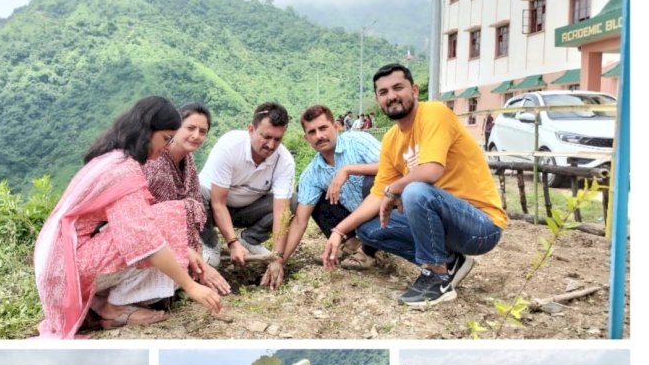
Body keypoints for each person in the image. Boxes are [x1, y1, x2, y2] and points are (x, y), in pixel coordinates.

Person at [35, 96, 222, 337]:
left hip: (58, 254)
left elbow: (145, 220)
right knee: (160, 234)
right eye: (165, 139)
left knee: (164, 223)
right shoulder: (125, 170)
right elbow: (144, 241)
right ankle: (113, 307)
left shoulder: (115, 157)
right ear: (147, 131)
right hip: (64, 265)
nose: (167, 147)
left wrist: (183, 250)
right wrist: (191, 286)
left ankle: (102, 302)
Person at [322, 64, 506, 307]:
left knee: (415, 190)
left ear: (414, 90)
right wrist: (339, 231)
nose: (392, 96)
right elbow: (377, 195)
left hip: (480, 226)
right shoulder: (391, 139)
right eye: (384, 92)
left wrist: (394, 189)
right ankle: (450, 261)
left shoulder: (433, 113)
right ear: (378, 100)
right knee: (369, 230)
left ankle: (437, 278)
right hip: (444, 226)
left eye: (398, 88)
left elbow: (431, 171)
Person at [198, 101, 295, 289]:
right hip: (214, 206)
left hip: (249, 208)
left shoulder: (284, 161)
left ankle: (250, 239)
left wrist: (277, 258)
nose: (271, 145)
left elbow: (282, 213)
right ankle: (211, 244)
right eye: (266, 136)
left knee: (293, 202)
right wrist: (232, 243)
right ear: (251, 129)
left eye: (277, 139)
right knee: (194, 193)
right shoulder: (230, 146)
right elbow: (218, 203)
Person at [143, 102, 231, 298]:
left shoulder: (187, 159)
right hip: (151, 241)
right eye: (190, 128)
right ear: (176, 128)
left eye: (202, 131)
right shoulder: (156, 164)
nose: (196, 136)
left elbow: (192, 211)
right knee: (171, 285)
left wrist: (198, 259)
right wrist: (198, 265)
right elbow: (160, 222)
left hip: (176, 243)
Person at [278, 104, 380, 272]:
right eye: (312, 132)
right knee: (310, 196)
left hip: (385, 212)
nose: (319, 136)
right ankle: (351, 243)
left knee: (374, 180)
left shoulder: (358, 141)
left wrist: (348, 170)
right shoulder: (312, 173)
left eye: (323, 128)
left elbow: (394, 167)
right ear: (306, 138)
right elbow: (300, 221)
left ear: (336, 127)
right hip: (354, 219)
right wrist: (279, 261)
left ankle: (370, 250)